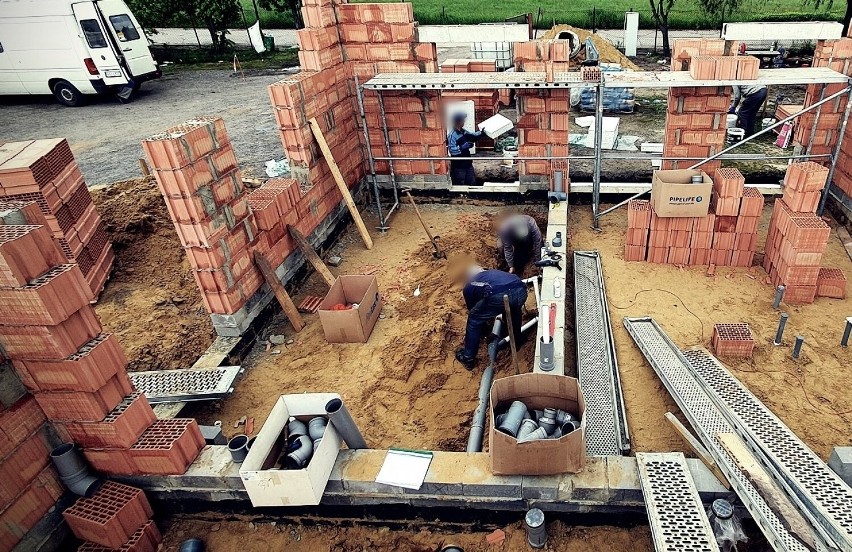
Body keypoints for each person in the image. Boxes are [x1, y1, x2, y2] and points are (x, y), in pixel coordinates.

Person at [455, 265, 528, 371]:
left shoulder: (470, 284)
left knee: (474, 320)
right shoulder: (494, 273)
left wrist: (483, 329)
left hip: (498, 294)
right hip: (521, 290)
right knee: (514, 312)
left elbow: (473, 310)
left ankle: (468, 358)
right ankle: (517, 340)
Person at [447, 112, 482, 186]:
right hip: (459, 167)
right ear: (458, 122)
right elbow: (452, 151)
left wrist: (482, 133)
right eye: (463, 120)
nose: (464, 122)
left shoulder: (463, 132)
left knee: (472, 183)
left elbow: (472, 136)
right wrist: (462, 147)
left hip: (468, 164)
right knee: (460, 185)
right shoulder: (452, 135)